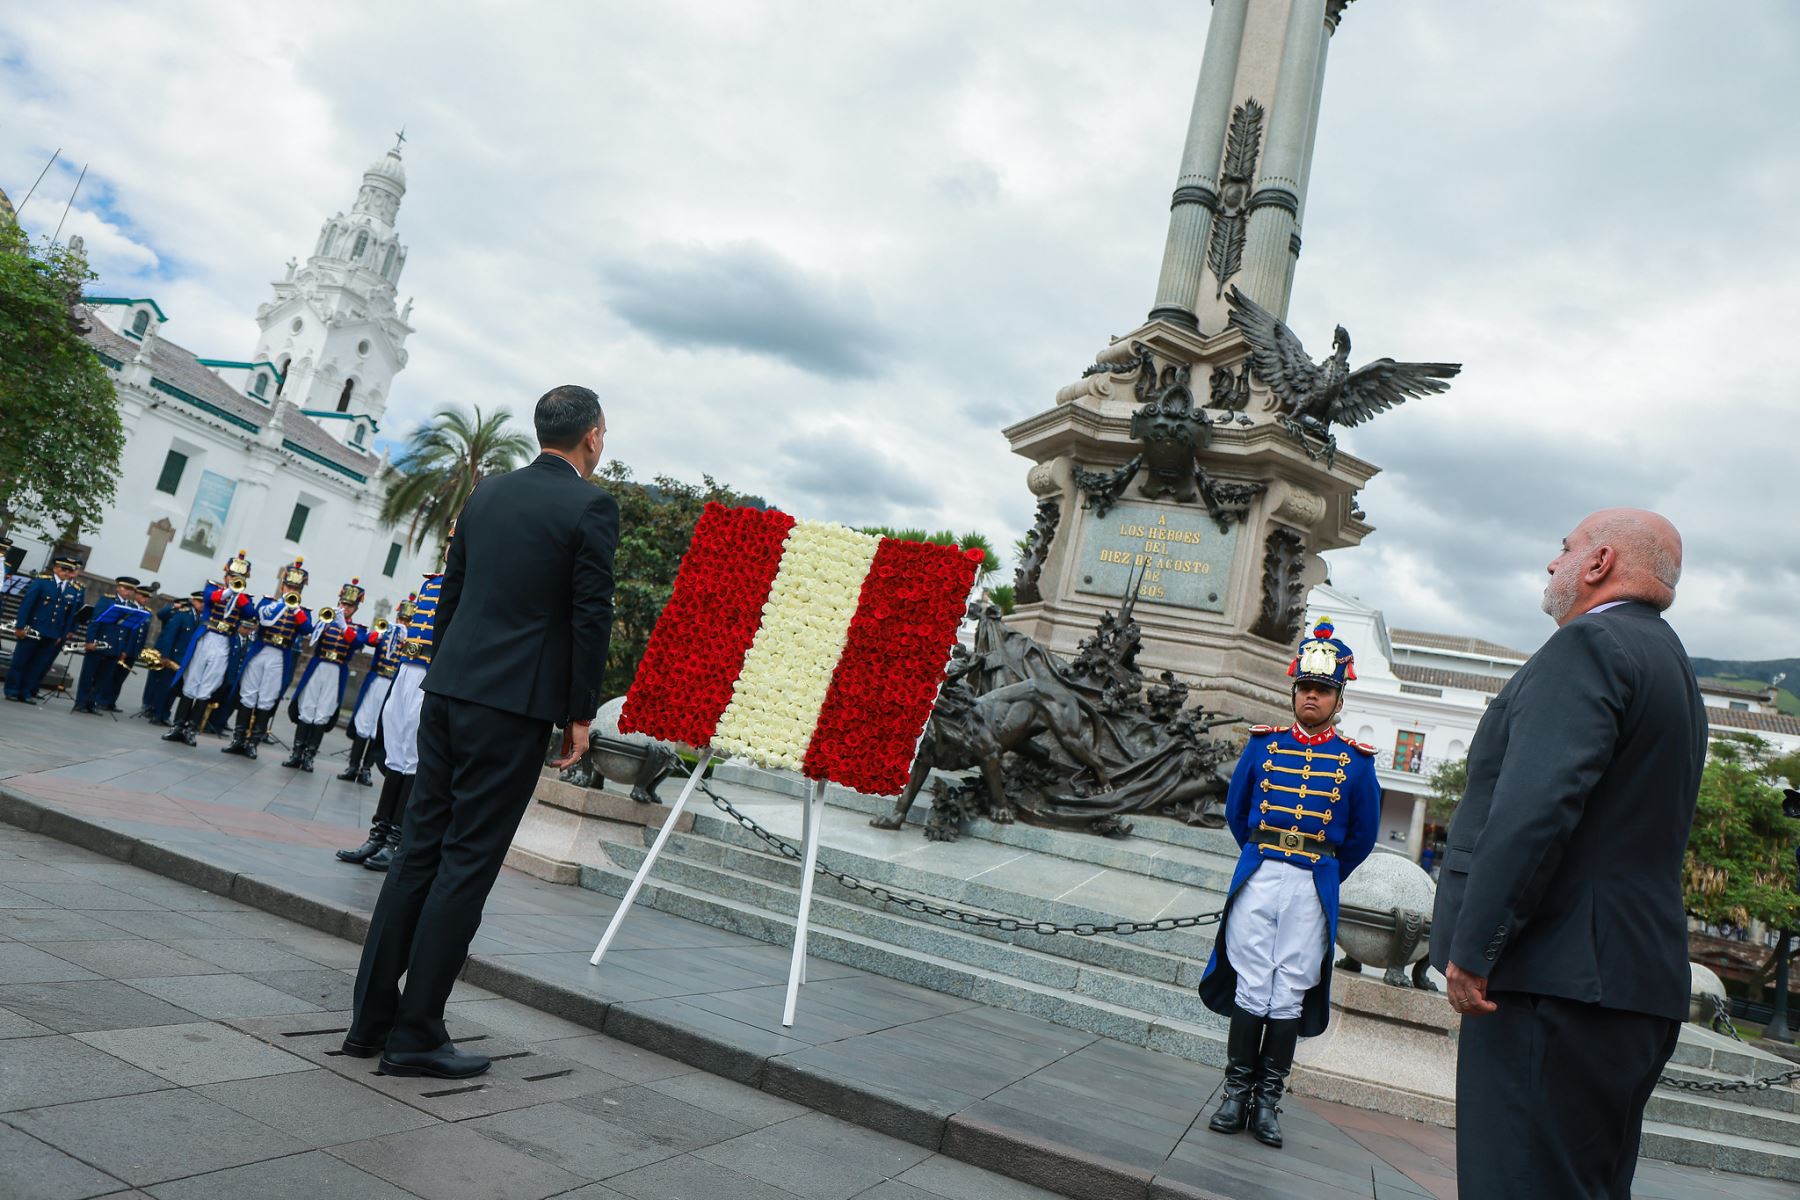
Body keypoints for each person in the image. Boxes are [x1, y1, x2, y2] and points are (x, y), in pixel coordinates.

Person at [1430, 509, 1704, 1200]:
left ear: (1600, 562)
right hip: (1632, 981)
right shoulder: (1671, 664)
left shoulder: (1589, 645)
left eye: (1565, 549)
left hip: (1552, 978)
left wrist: (1478, 945)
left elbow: (1536, 810)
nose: (1553, 564)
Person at [346, 384, 618, 1079]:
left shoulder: (490, 493)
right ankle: (416, 1036)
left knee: (417, 851)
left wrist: (444, 669)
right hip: (513, 703)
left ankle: (369, 1022)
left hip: (449, 687)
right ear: (593, 436)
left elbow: (454, 591)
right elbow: (590, 617)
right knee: (467, 863)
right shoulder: (592, 505)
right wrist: (580, 714)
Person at [1199, 618, 1381, 1149]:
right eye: (1305, 688)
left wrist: (1322, 871)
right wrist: (1265, 858)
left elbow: (1362, 837)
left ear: (1337, 698)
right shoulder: (1263, 745)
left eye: (1322, 690)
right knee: (1253, 980)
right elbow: (1238, 814)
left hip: (1312, 884)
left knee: (1290, 987)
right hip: (1260, 874)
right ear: (1294, 691)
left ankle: (1267, 1101)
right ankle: (1235, 1093)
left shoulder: (1356, 763)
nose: (1311, 697)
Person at [338, 580, 438, 869]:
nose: (450, 550)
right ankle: (378, 836)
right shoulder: (430, 584)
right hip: (406, 670)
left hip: (430, 675)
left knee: (414, 757)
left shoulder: (467, 581)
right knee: (396, 752)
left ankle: (396, 840)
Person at [225, 559, 313, 760]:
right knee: (248, 694)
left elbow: (307, 629)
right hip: (261, 650)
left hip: (280, 656)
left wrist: (296, 609)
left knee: (266, 699)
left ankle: (253, 742)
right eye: (289, 586)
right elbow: (259, 617)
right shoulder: (269, 602)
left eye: (296, 588)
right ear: (282, 586)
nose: (291, 590)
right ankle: (238, 738)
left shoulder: (302, 611)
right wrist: (281, 604)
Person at [162, 552, 254, 743]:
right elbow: (209, 598)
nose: (235, 580)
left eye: (240, 578)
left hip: (223, 642)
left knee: (208, 685)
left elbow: (250, 613)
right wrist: (228, 591)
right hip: (207, 637)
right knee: (192, 680)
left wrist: (240, 595)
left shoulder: (244, 598)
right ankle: (178, 725)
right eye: (232, 576)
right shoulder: (214, 587)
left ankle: (192, 729)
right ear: (225, 575)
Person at [286, 580, 377, 771]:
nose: (345, 608)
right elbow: (311, 634)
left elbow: (358, 643)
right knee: (307, 706)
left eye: (350, 606)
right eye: (343, 603)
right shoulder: (326, 618)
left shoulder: (357, 628)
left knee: (323, 711)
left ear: (356, 608)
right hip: (318, 665)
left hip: (336, 670)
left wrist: (344, 626)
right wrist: (326, 624)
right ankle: (297, 753)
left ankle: (310, 755)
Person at [339, 593, 416, 786]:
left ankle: (366, 769)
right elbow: (367, 639)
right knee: (364, 722)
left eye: (407, 620)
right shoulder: (387, 631)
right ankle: (352, 766)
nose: (403, 623)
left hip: (392, 686)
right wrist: (386, 631)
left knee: (378, 727)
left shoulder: (412, 640)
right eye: (401, 618)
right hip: (375, 681)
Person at [5, 555, 88, 703]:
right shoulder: (43, 582)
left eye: (70, 570)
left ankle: (26, 692)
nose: (66, 573)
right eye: (64, 569)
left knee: (38, 665)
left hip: (53, 633)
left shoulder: (73, 589)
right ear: (56, 568)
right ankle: (12, 689)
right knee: (21, 661)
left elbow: (69, 615)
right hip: (33, 629)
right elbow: (27, 605)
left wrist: (62, 634)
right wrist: (20, 626)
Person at [72, 576, 150, 714]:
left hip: (116, 646)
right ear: (118, 588)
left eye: (131, 590)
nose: (128, 592)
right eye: (125, 588)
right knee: (89, 675)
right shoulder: (107, 600)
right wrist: (90, 641)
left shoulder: (131, 606)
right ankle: (81, 702)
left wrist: (124, 649)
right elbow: (95, 622)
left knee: (103, 678)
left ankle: (92, 703)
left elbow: (128, 630)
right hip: (100, 643)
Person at [140, 591, 203, 724]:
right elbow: (169, 635)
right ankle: (156, 713)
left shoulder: (200, 619)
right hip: (172, 657)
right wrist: (165, 656)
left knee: (173, 690)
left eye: (204, 603)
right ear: (193, 601)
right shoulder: (182, 615)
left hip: (184, 659)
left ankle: (165, 714)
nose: (202, 605)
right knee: (164, 687)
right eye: (199, 602)